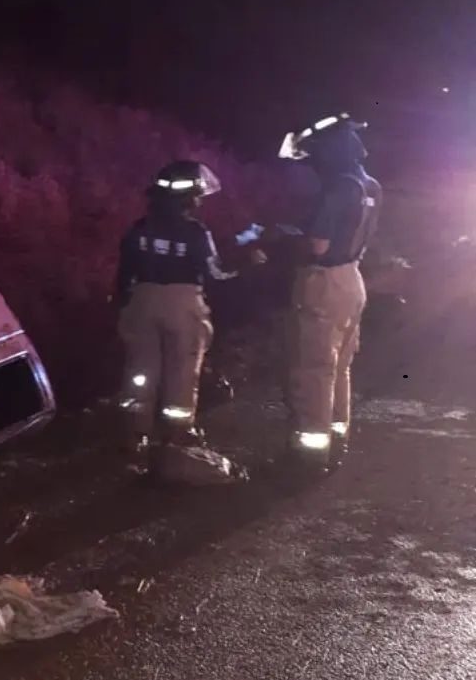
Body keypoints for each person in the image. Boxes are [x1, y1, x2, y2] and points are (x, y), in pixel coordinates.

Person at [113, 160, 258, 475]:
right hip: (183, 306)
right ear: (189, 198)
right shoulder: (196, 232)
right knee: (182, 373)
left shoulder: (138, 229)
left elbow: (123, 273)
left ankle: (133, 438)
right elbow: (215, 274)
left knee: (140, 371)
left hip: (141, 302)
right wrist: (247, 265)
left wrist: (123, 304)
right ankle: (177, 437)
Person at [278, 113, 382, 470]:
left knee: (313, 369)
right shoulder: (370, 186)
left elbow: (319, 245)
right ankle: (337, 438)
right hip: (352, 279)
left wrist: (281, 238)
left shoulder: (339, 187)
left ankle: (309, 453)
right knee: (339, 367)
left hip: (324, 283)